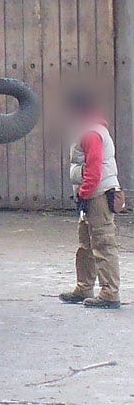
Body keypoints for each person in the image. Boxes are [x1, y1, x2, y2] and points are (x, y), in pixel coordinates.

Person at [58, 84, 122, 309]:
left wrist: (84, 194)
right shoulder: (90, 129)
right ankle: (84, 287)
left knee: (103, 243)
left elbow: (93, 169)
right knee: (86, 242)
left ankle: (109, 293)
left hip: (97, 195)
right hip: (92, 194)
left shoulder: (91, 133)